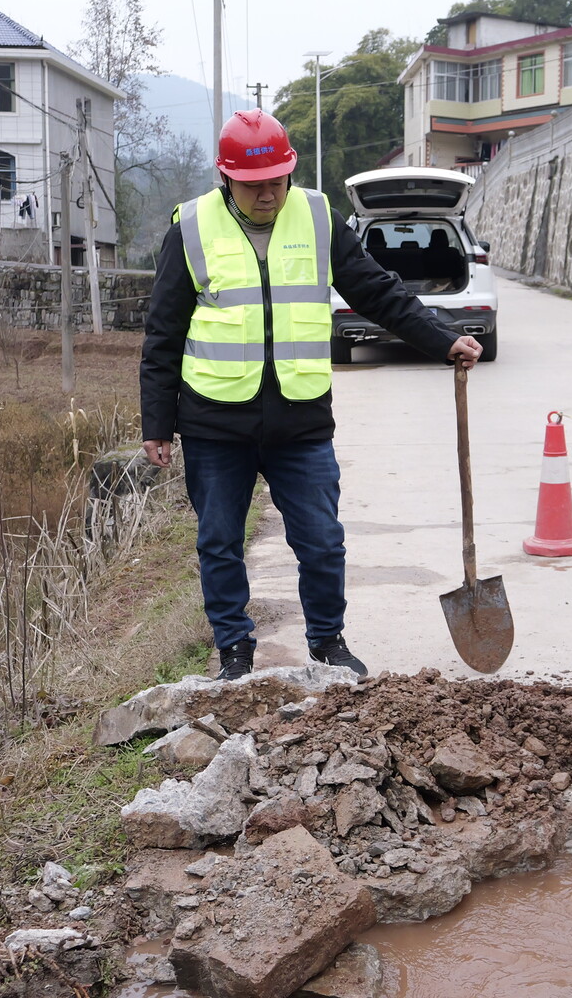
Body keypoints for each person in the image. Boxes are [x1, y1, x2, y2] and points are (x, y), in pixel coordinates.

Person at [142, 110, 483, 681]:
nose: (269, 194)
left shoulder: (319, 216)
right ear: (227, 177)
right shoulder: (192, 227)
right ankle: (234, 648)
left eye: (278, 180)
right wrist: (157, 423)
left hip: (300, 422)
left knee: (322, 541)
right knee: (220, 542)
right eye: (255, 185)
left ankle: (327, 642)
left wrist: (442, 340)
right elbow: (163, 331)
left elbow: (378, 291)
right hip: (213, 422)